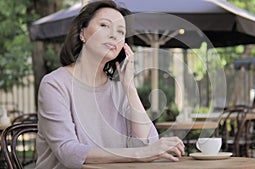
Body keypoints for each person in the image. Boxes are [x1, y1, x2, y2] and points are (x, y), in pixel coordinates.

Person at [35, 1, 185, 169]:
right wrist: (140, 155)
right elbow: (68, 152)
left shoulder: (119, 88)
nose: (114, 35)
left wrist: (129, 87)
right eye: (105, 25)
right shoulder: (54, 84)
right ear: (82, 33)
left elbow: (148, 142)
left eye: (120, 31)